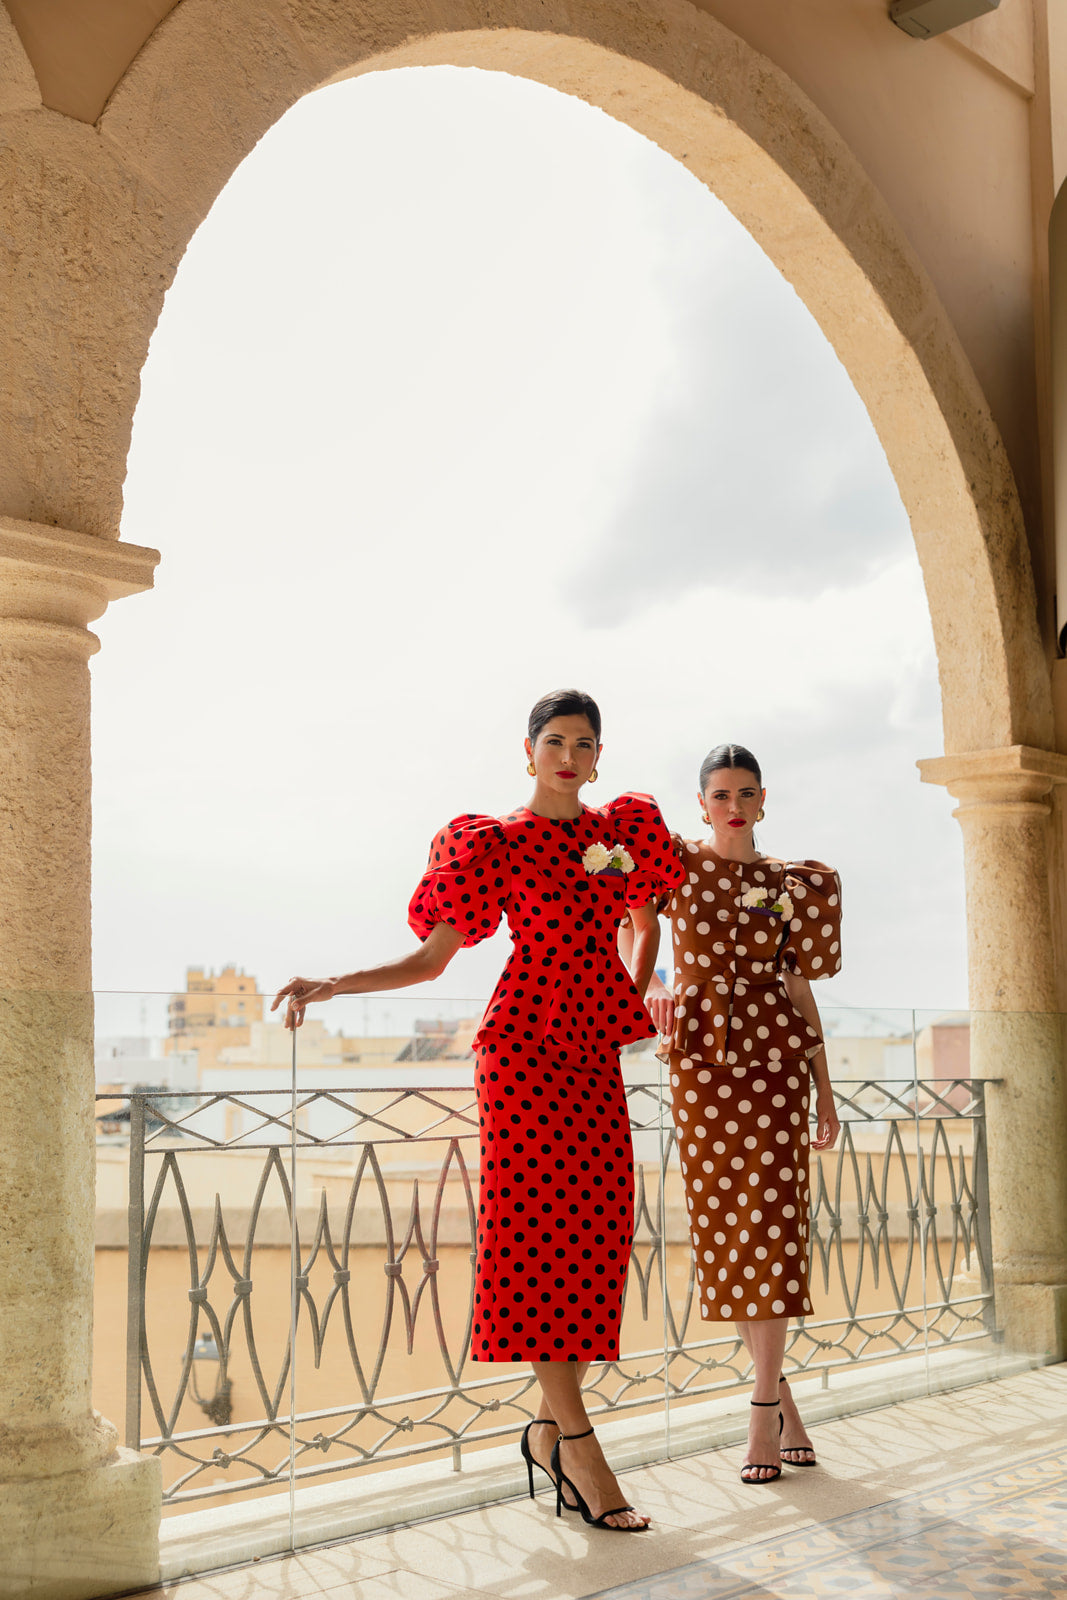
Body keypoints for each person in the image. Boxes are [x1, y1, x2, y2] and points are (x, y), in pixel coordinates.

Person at [273, 689, 683, 1531]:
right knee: (535, 1238)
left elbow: (645, 923)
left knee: (597, 1230)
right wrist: (335, 983)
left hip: (591, 1051)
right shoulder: (493, 840)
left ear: (597, 758)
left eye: (583, 743)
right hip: (522, 1050)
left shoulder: (620, 833)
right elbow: (432, 959)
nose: (568, 756)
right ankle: (580, 1446)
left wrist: (626, 998)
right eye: (554, 741)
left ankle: (546, 1432)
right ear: (528, 751)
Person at [633, 743, 841, 1485]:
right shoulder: (674, 866)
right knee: (728, 1232)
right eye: (719, 795)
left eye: (744, 793)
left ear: (762, 801)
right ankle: (783, 1405)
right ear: (701, 804)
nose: (732, 807)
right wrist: (652, 986)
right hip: (699, 1070)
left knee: (774, 1227)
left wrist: (823, 1089)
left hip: (776, 1067)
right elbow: (630, 923)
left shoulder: (790, 883)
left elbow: (798, 988)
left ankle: (760, 1413)